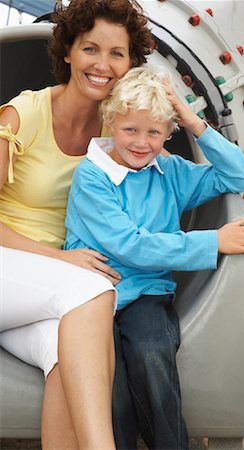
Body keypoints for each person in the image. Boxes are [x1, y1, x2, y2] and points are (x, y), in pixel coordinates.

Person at [64, 66, 244, 449]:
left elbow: (237, 176)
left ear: (169, 133)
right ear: (110, 123)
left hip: (147, 293)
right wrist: (210, 243)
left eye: (154, 132)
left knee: (151, 353)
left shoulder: (169, 171)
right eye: (131, 130)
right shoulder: (92, 177)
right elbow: (129, 244)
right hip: (93, 296)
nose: (142, 142)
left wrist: (193, 121)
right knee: (112, 384)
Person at [0, 1, 153, 449]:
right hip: (13, 267)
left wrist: (239, 180)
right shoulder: (21, 115)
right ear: (68, 50)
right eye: (90, 49)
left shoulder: (121, 132)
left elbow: (185, 175)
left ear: (130, 64)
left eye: (117, 54)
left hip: (37, 295)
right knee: (94, 290)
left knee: (70, 365)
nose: (102, 65)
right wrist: (61, 259)